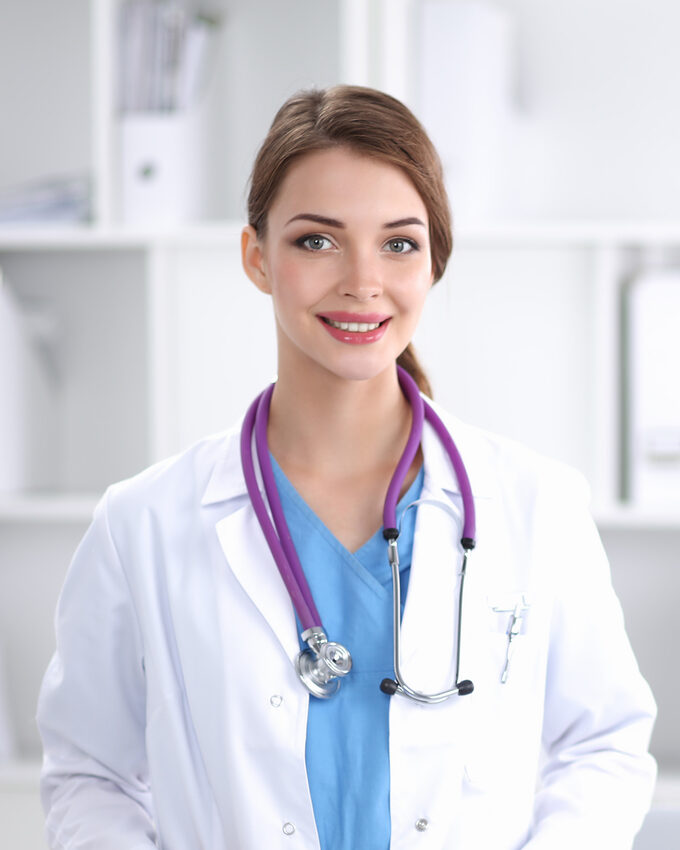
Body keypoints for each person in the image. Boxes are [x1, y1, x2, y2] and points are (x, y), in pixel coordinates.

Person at [37, 85, 656, 850]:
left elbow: (606, 746)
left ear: (433, 264)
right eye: (317, 241)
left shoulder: (536, 505)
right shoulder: (145, 524)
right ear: (257, 256)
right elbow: (89, 774)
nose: (363, 281)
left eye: (399, 243)